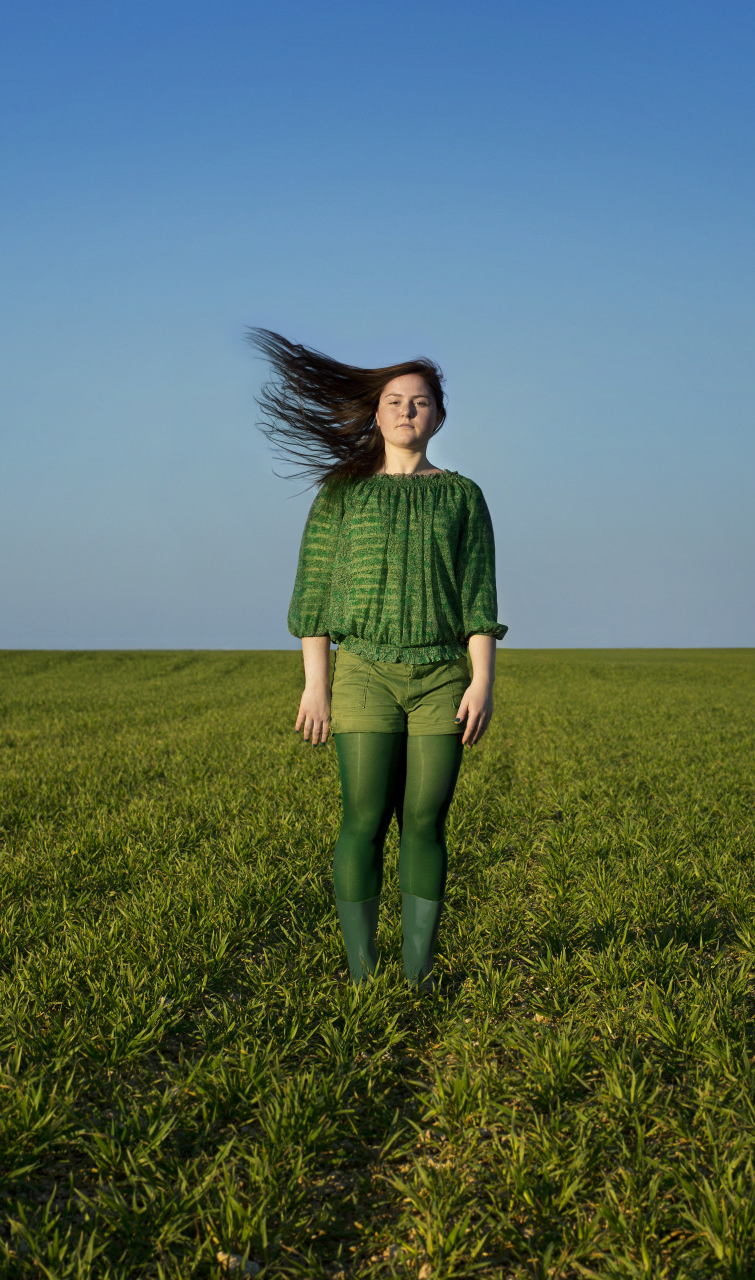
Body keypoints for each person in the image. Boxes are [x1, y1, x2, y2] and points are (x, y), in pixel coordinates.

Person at [251, 328, 506, 990]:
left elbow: (479, 597)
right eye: (394, 400)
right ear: (376, 411)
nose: (406, 412)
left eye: (420, 403)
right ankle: (363, 974)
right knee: (363, 818)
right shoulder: (342, 494)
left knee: (425, 821)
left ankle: (418, 973)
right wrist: (317, 686)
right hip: (363, 671)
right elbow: (313, 597)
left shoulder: (462, 496)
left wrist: (483, 681)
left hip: (440, 677)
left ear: (439, 417)